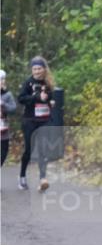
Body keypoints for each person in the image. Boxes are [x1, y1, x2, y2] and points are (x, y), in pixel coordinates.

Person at [17, 57, 57, 191]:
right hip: (30, 121)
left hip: (44, 121)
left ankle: (42, 179)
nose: (36, 71)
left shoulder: (48, 82)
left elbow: (49, 98)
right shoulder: (28, 83)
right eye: (34, 69)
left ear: (44, 69)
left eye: (39, 68)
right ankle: (22, 177)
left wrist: (50, 102)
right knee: (29, 150)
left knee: (43, 149)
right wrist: (37, 98)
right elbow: (21, 99)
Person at [1, 70, 16, 166]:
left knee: (4, 150)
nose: (2, 81)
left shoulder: (7, 94)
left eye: (2, 79)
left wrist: (3, 104)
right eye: (0, 79)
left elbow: (13, 109)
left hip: (3, 127)